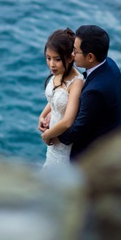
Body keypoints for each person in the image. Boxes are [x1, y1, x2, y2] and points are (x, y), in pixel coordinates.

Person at [39, 25, 121, 162]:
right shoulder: (108, 64)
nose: (72, 54)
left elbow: (77, 127)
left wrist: (50, 136)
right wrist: (50, 112)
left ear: (90, 57)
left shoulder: (94, 91)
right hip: (113, 137)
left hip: (97, 152)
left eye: (75, 51)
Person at [38, 28, 84, 170]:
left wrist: (47, 135)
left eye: (57, 59)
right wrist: (43, 115)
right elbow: (54, 98)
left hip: (63, 144)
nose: (51, 64)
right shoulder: (58, 72)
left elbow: (68, 121)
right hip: (53, 140)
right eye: (48, 58)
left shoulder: (76, 82)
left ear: (70, 57)